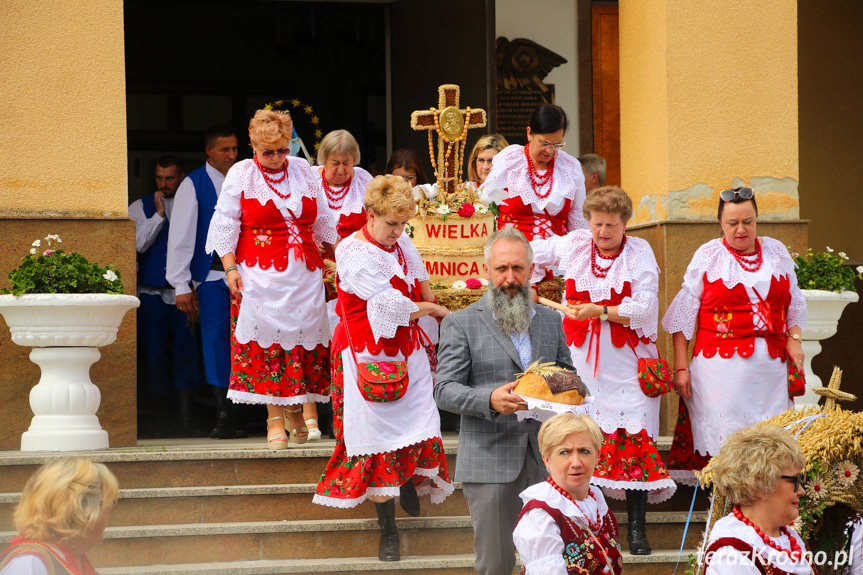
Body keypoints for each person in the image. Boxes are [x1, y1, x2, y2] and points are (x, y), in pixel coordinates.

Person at [529, 185, 675, 555]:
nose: (603, 232)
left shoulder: (640, 252)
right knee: (586, 443)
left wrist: (603, 311)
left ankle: (637, 530)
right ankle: (597, 528)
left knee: (634, 446)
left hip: (628, 364)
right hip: (582, 363)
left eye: (611, 225)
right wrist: (528, 282)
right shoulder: (576, 243)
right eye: (597, 224)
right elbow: (530, 249)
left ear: (625, 224)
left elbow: (644, 308)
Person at [313, 175, 453, 562]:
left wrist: (434, 303)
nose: (398, 231)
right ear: (370, 215)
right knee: (373, 437)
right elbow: (392, 305)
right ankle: (387, 529)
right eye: (391, 223)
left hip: (408, 351)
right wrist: (434, 311)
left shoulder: (402, 241)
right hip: (366, 355)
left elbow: (421, 283)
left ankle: (406, 476)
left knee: (421, 423)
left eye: (403, 224)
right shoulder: (351, 251)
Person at [434, 226, 576, 575]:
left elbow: (571, 378)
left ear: (530, 271)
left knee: (552, 562)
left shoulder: (549, 320)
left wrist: (547, 389)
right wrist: (489, 399)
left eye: (518, 269)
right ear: (487, 271)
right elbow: (444, 389)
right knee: (496, 563)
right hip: (490, 460)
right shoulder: (461, 322)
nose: (510, 278)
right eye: (501, 269)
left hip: (548, 459)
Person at [205, 109, 337, 450]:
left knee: (299, 343)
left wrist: (335, 259)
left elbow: (322, 218)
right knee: (267, 347)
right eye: (269, 152)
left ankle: (296, 408)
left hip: (304, 274)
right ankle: (274, 417)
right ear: (253, 146)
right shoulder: (242, 173)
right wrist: (231, 268)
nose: (277, 158)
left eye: (282, 150)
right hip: (258, 274)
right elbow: (225, 224)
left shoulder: (304, 170)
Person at [662, 187, 807, 484]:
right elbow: (683, 317)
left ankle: (767, 512)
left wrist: (795, 338)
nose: (741, 229)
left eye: (748, 221)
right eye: (733, 223)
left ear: (756, 220)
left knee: (772, 445)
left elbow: (794, 299)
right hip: (720, 371)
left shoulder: (776, 251)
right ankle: (724, 511)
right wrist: (680, 369)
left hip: (770, 370)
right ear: (720, 223)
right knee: (728, 447)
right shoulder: (708, 255)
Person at [167, 124, 245, 439]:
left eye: (235, 149)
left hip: (250, 276)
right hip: (212, 277)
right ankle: (225, 414)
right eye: (224, 149)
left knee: (249, 341)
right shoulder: (192, 184)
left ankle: (249, 412)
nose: (231, 155)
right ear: (209, 151)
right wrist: (181, 284)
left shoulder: (246, 177)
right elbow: (181, 236)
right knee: (216, 344)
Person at [129, 155, 202, 438]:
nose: (164, 184)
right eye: (159, 178)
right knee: (155, 352)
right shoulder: (140, 206)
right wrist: (158, 216)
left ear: (181, 177)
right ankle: (161, 418)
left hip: (186, 292)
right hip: (151, 293)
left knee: (187, 351)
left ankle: (186, 417)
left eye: (169, 178)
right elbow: (135, 245)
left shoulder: (194, 203)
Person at [513, 413, 622, 575]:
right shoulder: (541, 516)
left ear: (597, 456)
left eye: (584, 451)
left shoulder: (597, 502)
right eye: (564, 452)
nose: (576, 463)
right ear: (547, 459)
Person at [702, 425, 814, 574]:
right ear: (760, 486)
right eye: (795, 480)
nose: (802, 491)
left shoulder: (787, 537)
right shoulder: (731, 554)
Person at [482, 105, 588, 244]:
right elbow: (484, 205)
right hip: (512, 257)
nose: (550, 151)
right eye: (544, 143)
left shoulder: (570, 167)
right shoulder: (509, 162)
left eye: (557, 144)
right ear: (529, 133)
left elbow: (578, 217)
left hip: (556, 257)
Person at [0, 457, 118, 575]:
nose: (108, 513)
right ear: (83, 512)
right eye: (106, 504)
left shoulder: (70, 558)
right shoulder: (29, 563)